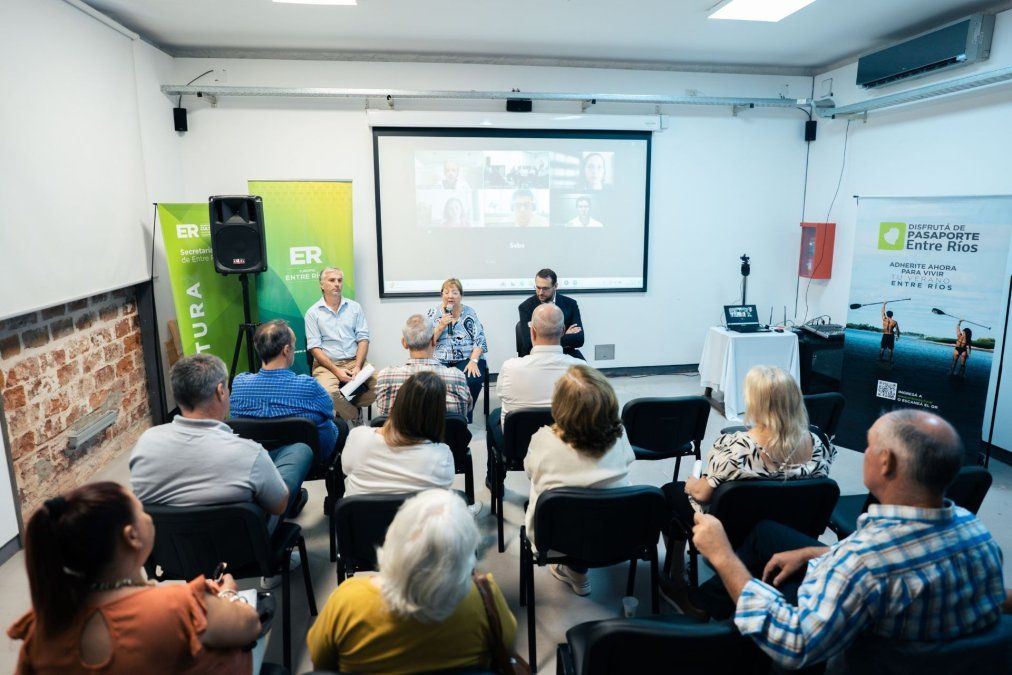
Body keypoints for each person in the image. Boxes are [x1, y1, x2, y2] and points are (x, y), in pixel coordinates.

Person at [690, 409, 1005, 670]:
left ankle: (717, 633)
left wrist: (723, 556)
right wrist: (819, 552)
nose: (864, 454)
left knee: (763, 590)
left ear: (886, 463)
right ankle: (714, 607)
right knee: (769, 534)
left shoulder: (863, 563)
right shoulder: (978, 533)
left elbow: (796, 644)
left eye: (869, 446)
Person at [8, 482, 260, 674]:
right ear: (132, 536)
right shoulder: (178, 606)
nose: (148, 515)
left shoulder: (39, 632)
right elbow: (249, 625)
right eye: (141, 510)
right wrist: (227, 593)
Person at [659, 365, 835, 616]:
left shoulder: (737, 448)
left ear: (755, 403)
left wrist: (691, 484)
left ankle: (677, 578)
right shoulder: (818, 444)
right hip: (791, 528)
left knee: (670, 492)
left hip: (731, 531)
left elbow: (704, 494)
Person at [307, 489, 516, 673]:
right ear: (468, 552)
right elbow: (506, 648)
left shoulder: (347, 600)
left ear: (393, 536)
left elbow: (321, 662)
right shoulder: (483, 597)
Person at [130, 354, 313, 531]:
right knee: (299, 451)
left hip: (174, 553)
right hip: (244, 551)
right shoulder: (249, 453)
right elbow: (278, 506)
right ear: (220, 392)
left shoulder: (146, 443)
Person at [524, 365, 636, 596]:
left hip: (553, 539)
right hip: (616, 532)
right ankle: (578, 570)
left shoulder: (543, 440)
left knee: (544, 488)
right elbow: (628, 461)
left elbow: (529, 471)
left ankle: (573, 567)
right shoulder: (621, 437)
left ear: (561, 407)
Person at [230, 319, 343, 463]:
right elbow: (328, 411)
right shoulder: (308, 386)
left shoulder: (240, 384)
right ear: (286, 350)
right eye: (294, 347)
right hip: (309, 460)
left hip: (257, 460)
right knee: (341, 426)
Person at [342, 371, 454, 497]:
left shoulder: (358, 437)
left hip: (359, 516)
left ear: (398, 401)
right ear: (438, 414)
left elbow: (346, 469)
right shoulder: (441, 456)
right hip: (414, 516)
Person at [306, 267, 378, 422]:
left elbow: (363, 339)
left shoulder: (354, 307)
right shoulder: (313, 313)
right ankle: (354, 415)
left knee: (382, 386)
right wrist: (337, 371)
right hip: (327, 365)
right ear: (322, 285)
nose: (337, 284)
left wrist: (358, 366)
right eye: (332, 280)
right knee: (328, 393)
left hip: (354, 361)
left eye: (339, 280)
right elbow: (314, 348)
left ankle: (343, 407)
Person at [375, 314, 472, 418]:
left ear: (404, 343)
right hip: (444, 434)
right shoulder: (457, 377)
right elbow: (467, 408)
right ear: (434, 340)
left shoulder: (385, 377)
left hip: (399, 434)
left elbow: (381, 414)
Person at [426, 278, 488, 421]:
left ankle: (464, 416)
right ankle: (441, 416)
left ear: (461, 295)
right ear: (441, 294)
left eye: (454, 292)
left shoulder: (469, 312)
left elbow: (480, 339)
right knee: (434, 381)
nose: (450, 296)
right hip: (439, 358)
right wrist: (440, 326)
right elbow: (428, 343)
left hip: (466, 357)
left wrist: (473, 360)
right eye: (446, 292)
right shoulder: (433, 313)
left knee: (472, 379)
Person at [517, 268, 585, 359]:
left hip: (565, 353)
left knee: (584, 370)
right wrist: (565, 336)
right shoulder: (526, 307)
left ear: (555, 286)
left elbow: (579, 339)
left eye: (545, 288)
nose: (540, 292)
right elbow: (528, 344)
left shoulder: (570, 304)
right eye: (538, 287)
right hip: (536, 355)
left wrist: (543, 340)